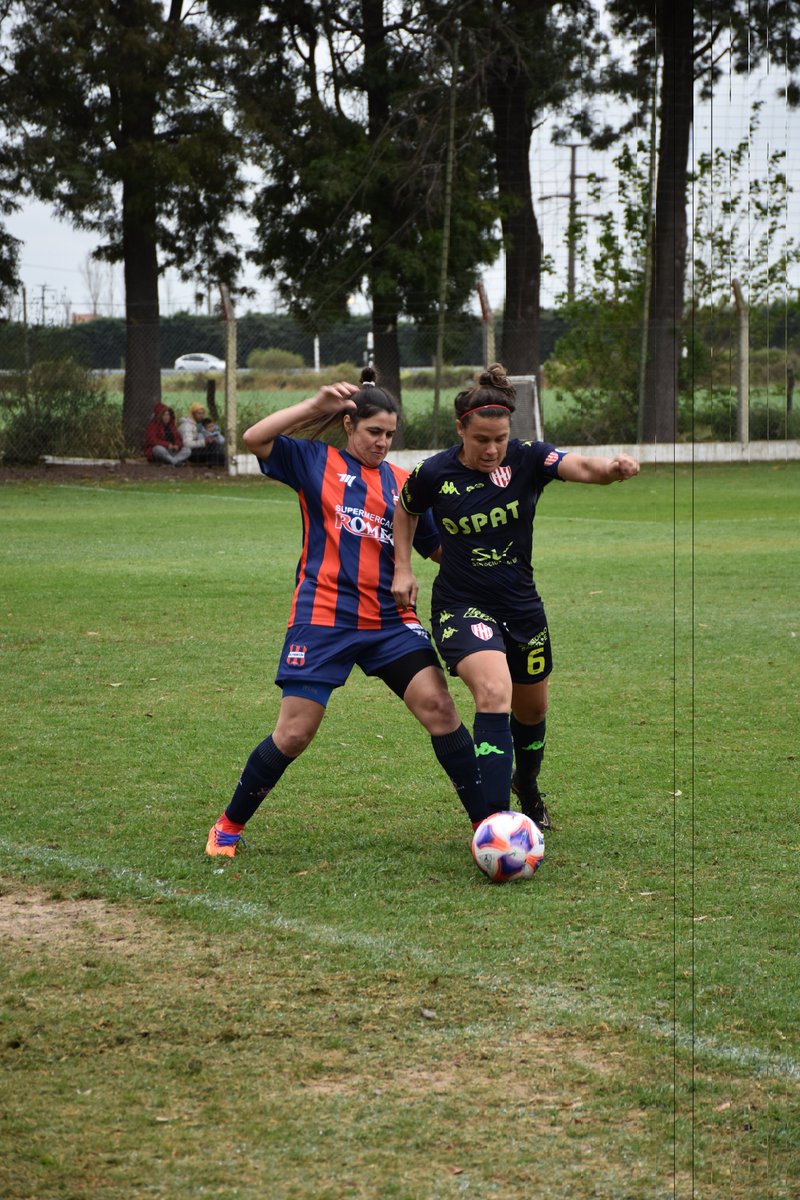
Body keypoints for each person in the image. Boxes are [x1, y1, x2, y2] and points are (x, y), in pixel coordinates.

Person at [205, 367, 492, 859]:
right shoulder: (314, 460)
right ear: (349, 426)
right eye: (373, 432)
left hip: (389, 621)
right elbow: (255, 437)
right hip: (323, 618)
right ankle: (227, 826)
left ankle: (488, 825)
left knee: (441, 710)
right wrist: (316, 403)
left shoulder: (404, 483)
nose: (382, 443)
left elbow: (436, 549)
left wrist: (488, 555)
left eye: (389, 435)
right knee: (294, 733)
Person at [391, 363, 640, 830]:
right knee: (493, 692)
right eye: (481, 439)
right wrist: (403, 568)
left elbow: (583, 466)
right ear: (460, 428)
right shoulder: (433, 472)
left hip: (521, 606)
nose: (491, 449)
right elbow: (404, 511)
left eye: (500, 438)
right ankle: (493, 821)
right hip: (461, 603)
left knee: (533, 711)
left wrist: (612, 469)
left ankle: (526, 785)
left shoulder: (527, 458)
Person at [177, 402, 226, 467]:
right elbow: (187, 444)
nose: (201, 415)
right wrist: (204, 441)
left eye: (203, 413)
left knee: (215, 445)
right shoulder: (187, 426)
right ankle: (214, 464)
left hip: (197, 449)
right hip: (189, 453)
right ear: (193, 414)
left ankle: (217, 463)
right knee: (213, 446)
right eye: (199, 413)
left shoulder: (198, 425)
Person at [144, 402, 191, 467]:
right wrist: (167, 445)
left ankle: (172, 462)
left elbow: (178, 438)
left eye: (168, 414)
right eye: (164, 415)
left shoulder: (172, 425)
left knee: (187, 450)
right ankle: (175, 462)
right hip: (162, 451)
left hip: (172, 451)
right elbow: (152, 440)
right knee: (158, 448)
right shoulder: (152, 426)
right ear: (159, 415)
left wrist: (177, 445)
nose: (167, 417)